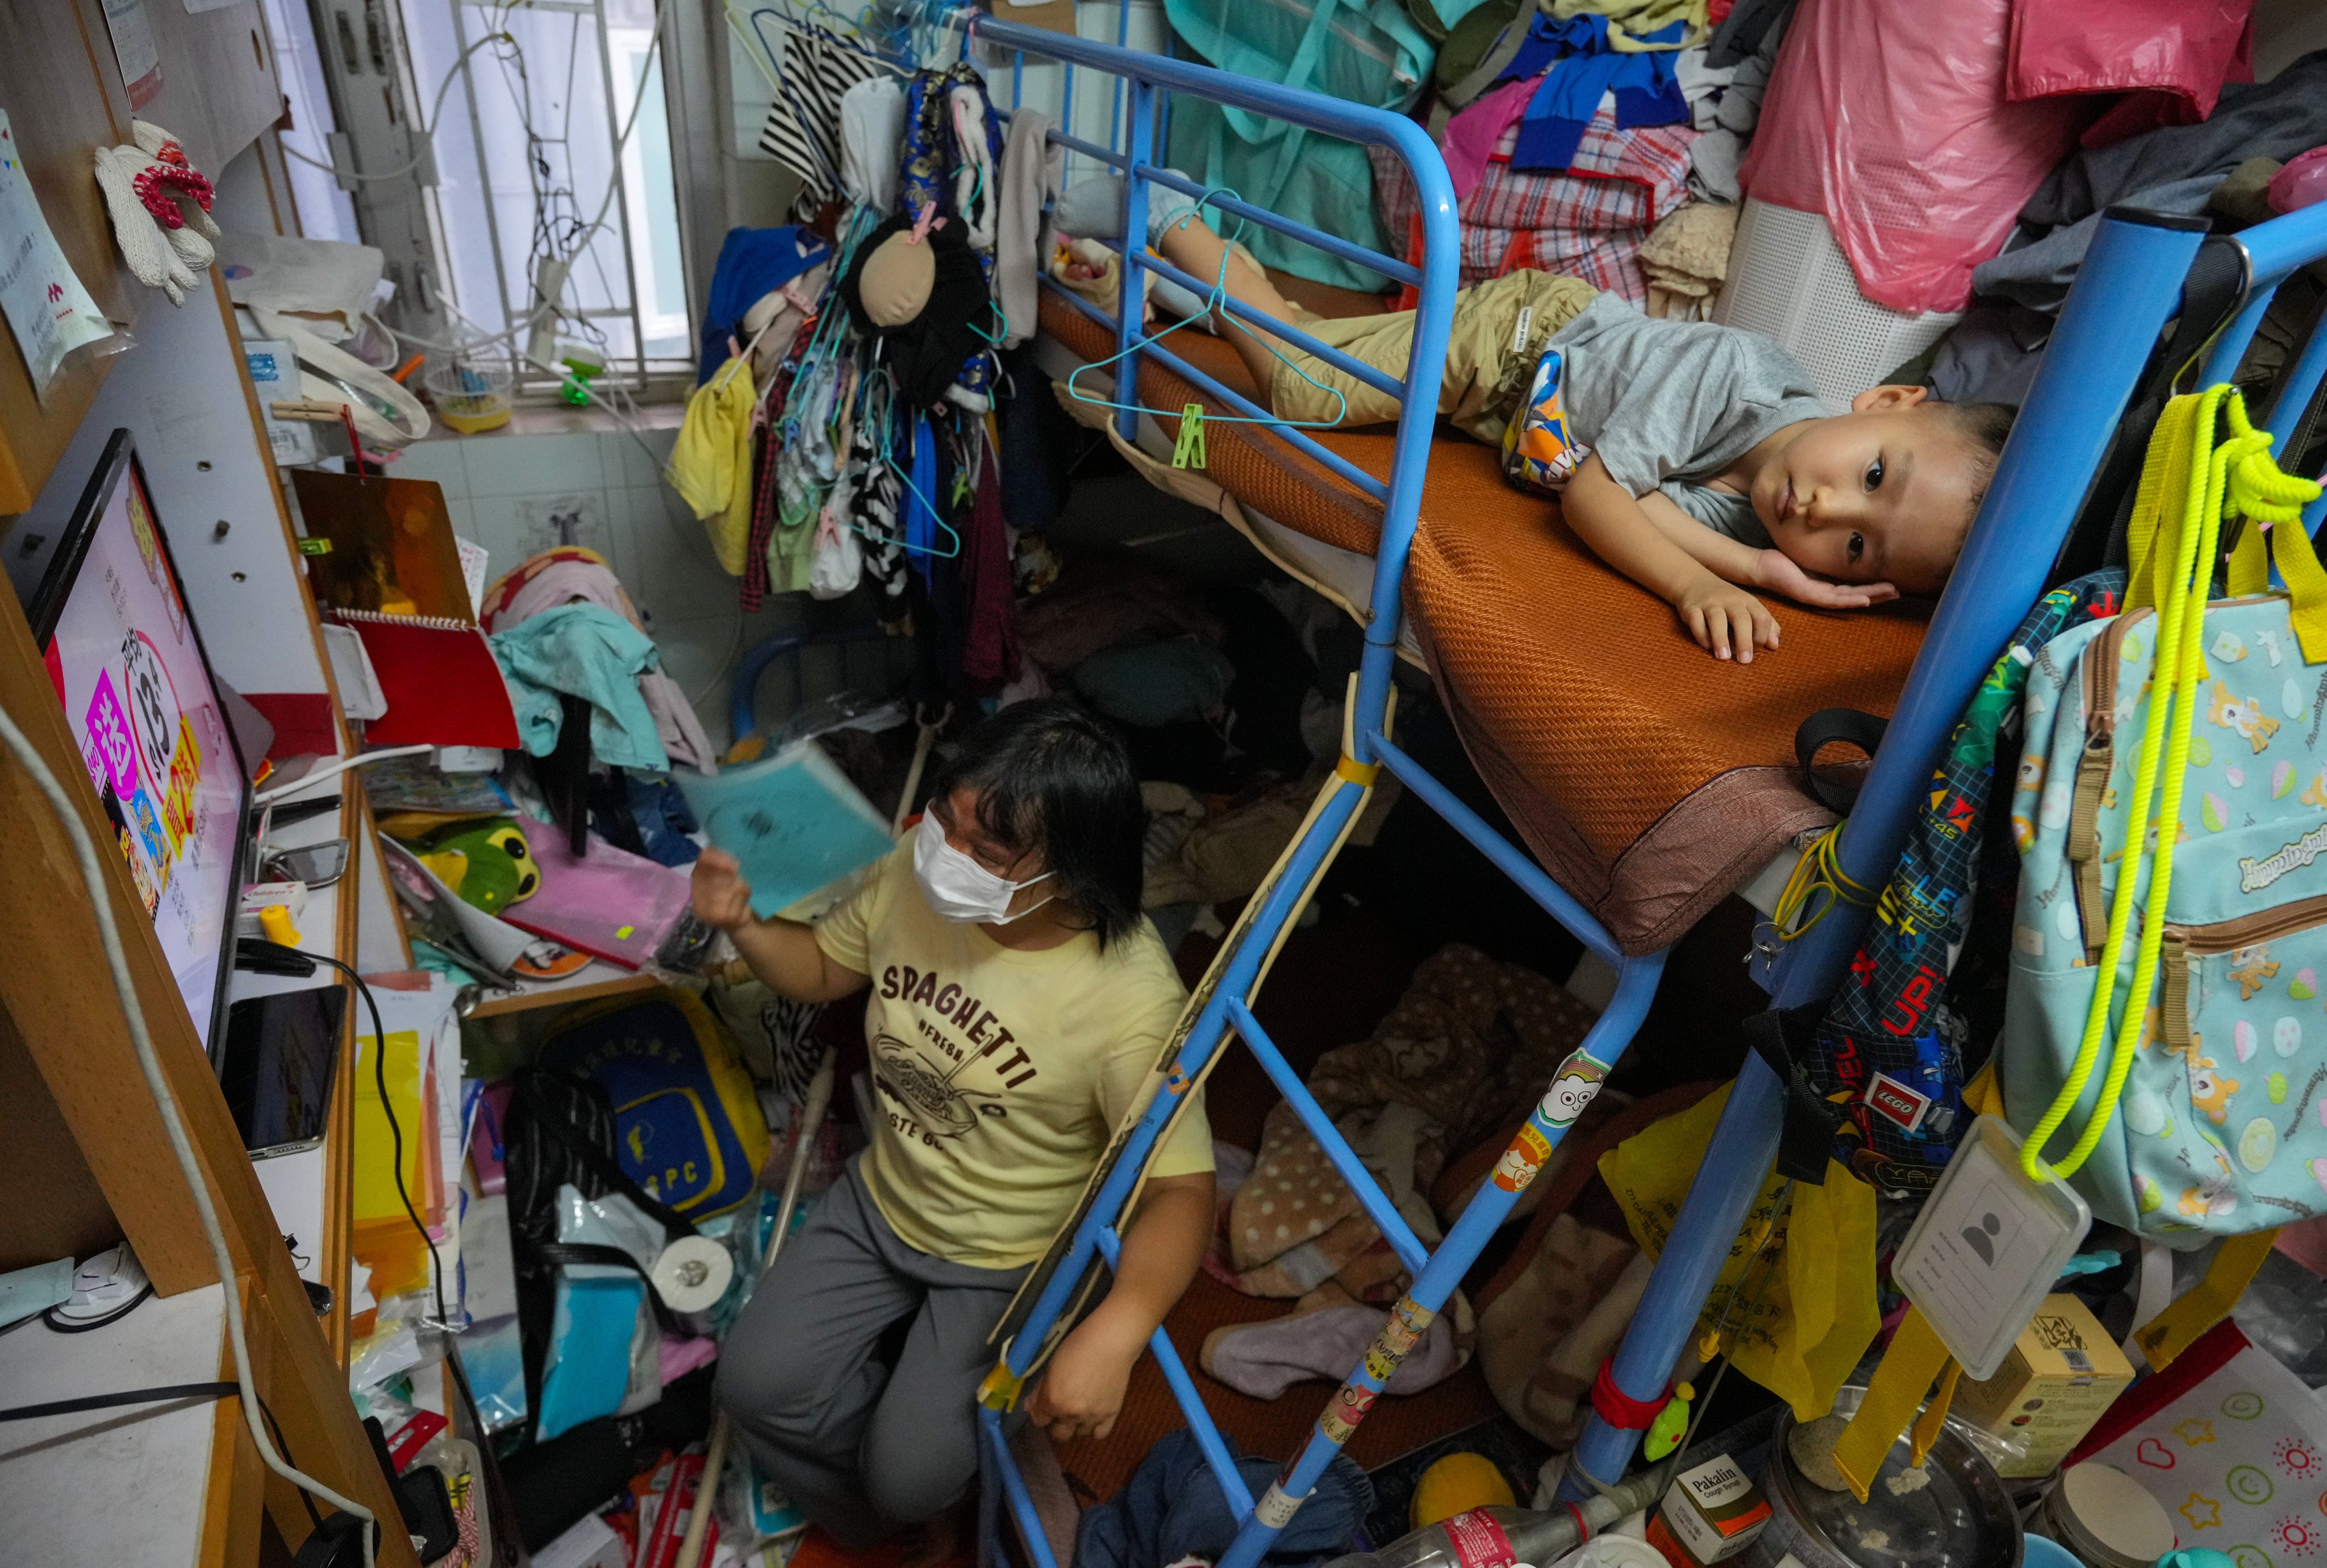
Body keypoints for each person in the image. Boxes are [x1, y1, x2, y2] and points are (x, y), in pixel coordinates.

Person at [1052, 180, 2015, 665]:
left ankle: (1174, 280)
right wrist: (1692, 585)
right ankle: (1165, 208)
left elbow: (1651, 509)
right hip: (1517, 345)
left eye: (1856, 547)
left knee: (1310, 338)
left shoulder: (1767, 520)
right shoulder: (1737, 378)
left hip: (1515, 407)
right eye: (1875, 476)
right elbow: (1598, 497)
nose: (1825, 509)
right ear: (1887, 401)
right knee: (1311, 389)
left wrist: (1761, 567)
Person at [696, 698, 1215, 1549]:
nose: (947, 853)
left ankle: (915, 1468)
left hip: (1005, 1260)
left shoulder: (1131, 1000)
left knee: (911, 1477)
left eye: (990, 848)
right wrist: (744, 924)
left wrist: (1119, 1330)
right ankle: (893, 1500)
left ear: (1071, 870)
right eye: (948, 818)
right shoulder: (914, 867)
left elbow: (1184, 1191)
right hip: (883, 1198)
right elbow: (827, 969)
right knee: (752, 1386)